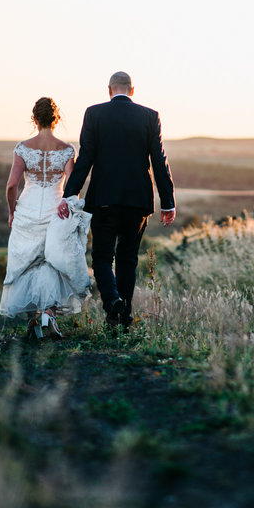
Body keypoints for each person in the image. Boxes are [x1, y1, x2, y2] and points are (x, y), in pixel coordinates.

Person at [58, 71, 176, 331]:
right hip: (137, 201)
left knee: (101, 257)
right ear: (132, 90)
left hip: (103, 199)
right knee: (128, 258)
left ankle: (112, 301)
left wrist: (69, 194)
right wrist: (168, 201)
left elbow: (85, 158)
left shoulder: (94, 114)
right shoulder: (149, 116)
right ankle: (125, 316)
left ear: (109, 89)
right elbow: (159, 160)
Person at [0, 97, 91, 340]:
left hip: (28, 210)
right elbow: (72, 188)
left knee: (27, 262)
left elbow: (11, 186)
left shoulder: (23, 148)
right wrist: (66, 204)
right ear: (56, 118)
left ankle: (33, 320)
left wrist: (12, 212)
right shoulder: (66, 149)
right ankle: (49, 314)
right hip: (55, 210)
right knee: (52, 262)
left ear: (34, 119)